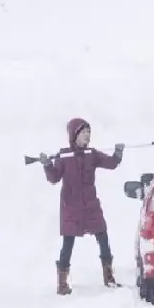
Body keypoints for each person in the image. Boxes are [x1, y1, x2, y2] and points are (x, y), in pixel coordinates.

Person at [39, 118, 124, 295]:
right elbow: (54, 178)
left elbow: (111, 164)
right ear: (74, 135)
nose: (88, 136)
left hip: (91, 205)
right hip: (71, 205)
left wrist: (117, 154)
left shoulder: (91, 154)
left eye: (89, 132)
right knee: (68, 242)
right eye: (84, 132)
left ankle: (108, 276)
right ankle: (62, 283)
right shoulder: (64, 156)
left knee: (103, 236)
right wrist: (47, 165)